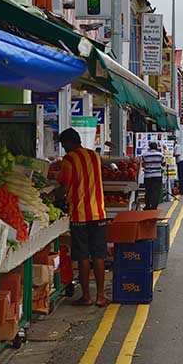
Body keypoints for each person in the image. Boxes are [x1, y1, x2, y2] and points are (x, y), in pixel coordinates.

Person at [57, 128, 108, 308]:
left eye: (64, 145)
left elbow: (64, 185)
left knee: (83, 256)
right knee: (99, 255)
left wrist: (56, 197)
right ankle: (100, 296)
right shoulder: (95, 156)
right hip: (99, 213)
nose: (64, 148)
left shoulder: (69, 160)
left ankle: (86, 296)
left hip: (79, 214)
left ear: (69, 143)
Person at [142, 141, 164, 210]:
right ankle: (154, 206)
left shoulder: (145, 155)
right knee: (156, 191)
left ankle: (147, 205)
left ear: (149, 147)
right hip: (157, 175)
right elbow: (163, 163)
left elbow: (143, 164)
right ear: (156, 147)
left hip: (148, 175)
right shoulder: (160, 155)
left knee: (148, 191)